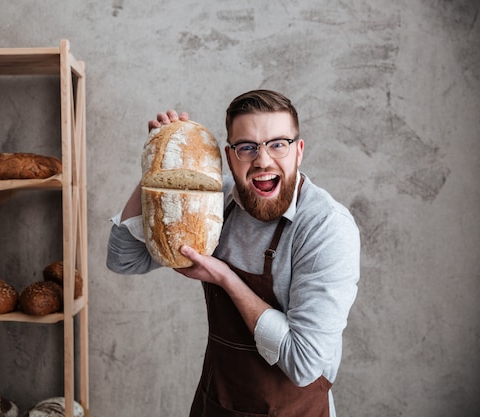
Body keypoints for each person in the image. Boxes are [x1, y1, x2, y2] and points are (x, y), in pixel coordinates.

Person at [107, 89, 360, 417]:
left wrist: (226, 279)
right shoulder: (216, 200)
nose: (263, 160)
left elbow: (304, 364)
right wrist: (159, 163)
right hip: (218, 403)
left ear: (299, 151)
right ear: (229, 157)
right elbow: (123, 258)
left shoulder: (326, 228)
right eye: (247, 147)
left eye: (277, 144)